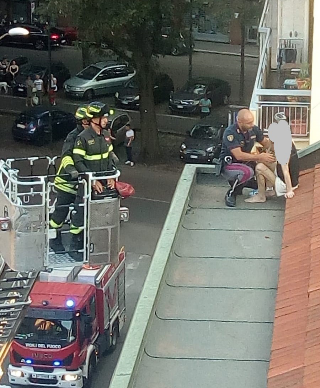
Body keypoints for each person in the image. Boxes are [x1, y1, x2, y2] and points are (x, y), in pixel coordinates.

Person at [71, 102, 118, 255]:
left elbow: (110, 159)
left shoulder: (105, 136)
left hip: (103, 184)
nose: (106, 120)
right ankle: (75, 245)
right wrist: (91, 180)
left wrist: (112, 176)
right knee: (81, 214)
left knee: (100, 216)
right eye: (103, 118)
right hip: (86, 185)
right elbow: (78, 162)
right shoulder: (82, 138)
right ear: (94, 119)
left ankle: (96, 245)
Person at [49, 105, 91, 253]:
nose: (89, 123)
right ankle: (54, 240)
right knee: (60, 213)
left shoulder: (91, 136)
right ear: (80, 122)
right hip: (67, 182)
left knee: (80, 213)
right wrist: (72, 171)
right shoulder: (73, 137)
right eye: (86, 121)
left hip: (82, 183)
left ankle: (77, 244)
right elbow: (66, 156)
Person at [219, 108, 276, 207]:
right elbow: (239, 155)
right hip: (230, 163)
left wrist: (278, 147)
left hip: (247, 161)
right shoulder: (230, 133)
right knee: (248, 172)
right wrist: (259, 157)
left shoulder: (253, 129)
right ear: (239, 122)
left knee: (265, 165)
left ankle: (267, 189)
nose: (252, 125)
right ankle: (232, 193)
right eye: (248, 123)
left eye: (252, 121)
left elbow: (265, 143)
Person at [245, 112, 299, 203]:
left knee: (259, 167)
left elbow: (285, 171)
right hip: (287, 177)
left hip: (286, 184)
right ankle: (268, 190)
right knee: (263, 161)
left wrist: (289, 191)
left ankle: (261, 196)